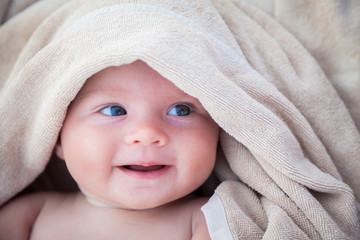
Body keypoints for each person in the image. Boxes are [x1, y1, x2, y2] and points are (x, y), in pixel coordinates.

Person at [0, 60, 219, 239]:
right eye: (114, 111)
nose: (147, 133)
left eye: (181, 110)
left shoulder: (210, 220)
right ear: (58, 138)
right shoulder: (30, 215)